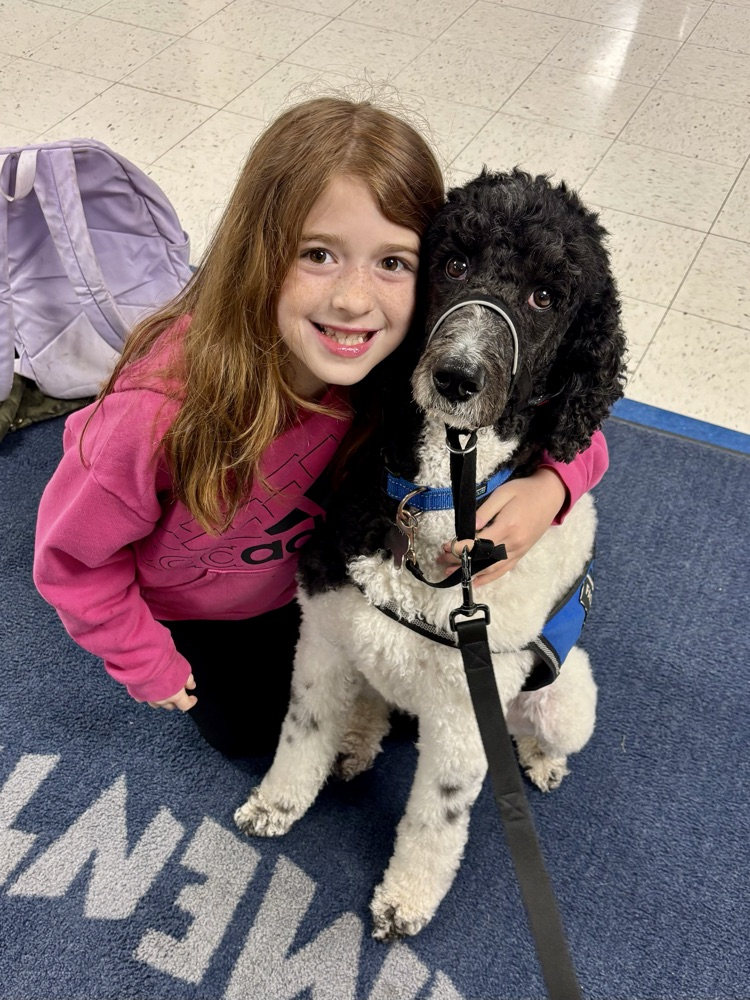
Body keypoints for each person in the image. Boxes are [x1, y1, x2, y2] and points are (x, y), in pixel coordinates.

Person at [33, 96, 609, 758]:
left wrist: (551, 490)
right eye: (317, 254)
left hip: (327, 570)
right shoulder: (154, 415)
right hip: (204, 614)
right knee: (256, 738)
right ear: (258, 251)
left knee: (424, 703)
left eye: (393, 262)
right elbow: (71, 563)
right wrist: (143, 660)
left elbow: (572, 424)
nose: (354, 300)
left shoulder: (395, 367)